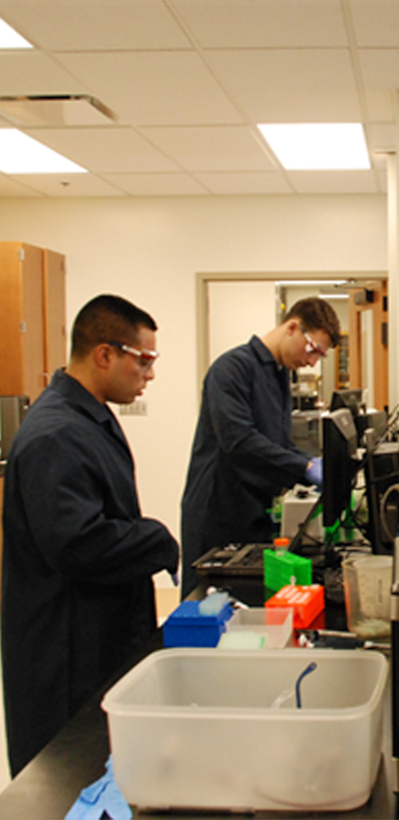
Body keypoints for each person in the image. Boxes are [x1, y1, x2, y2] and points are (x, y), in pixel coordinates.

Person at [1, 294, 180, 777]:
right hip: (65, 654)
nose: (150, 374)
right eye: (144, 360)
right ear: (105, 354)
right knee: (67, 781)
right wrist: (157, 540)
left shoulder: (89, 416)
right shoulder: (56, 433)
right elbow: (78, 544)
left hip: (98, 635)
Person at [180, 297, 341, 596]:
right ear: (292, 327)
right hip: (218, 512)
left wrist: (310, 462)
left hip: (252, 507)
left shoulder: (279, 374)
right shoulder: (232, 368)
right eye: (312, 350)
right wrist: (303, 467)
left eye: (320, 356)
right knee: (207, 609)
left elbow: (275, 443)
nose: (311, 362)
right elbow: (239, 440)